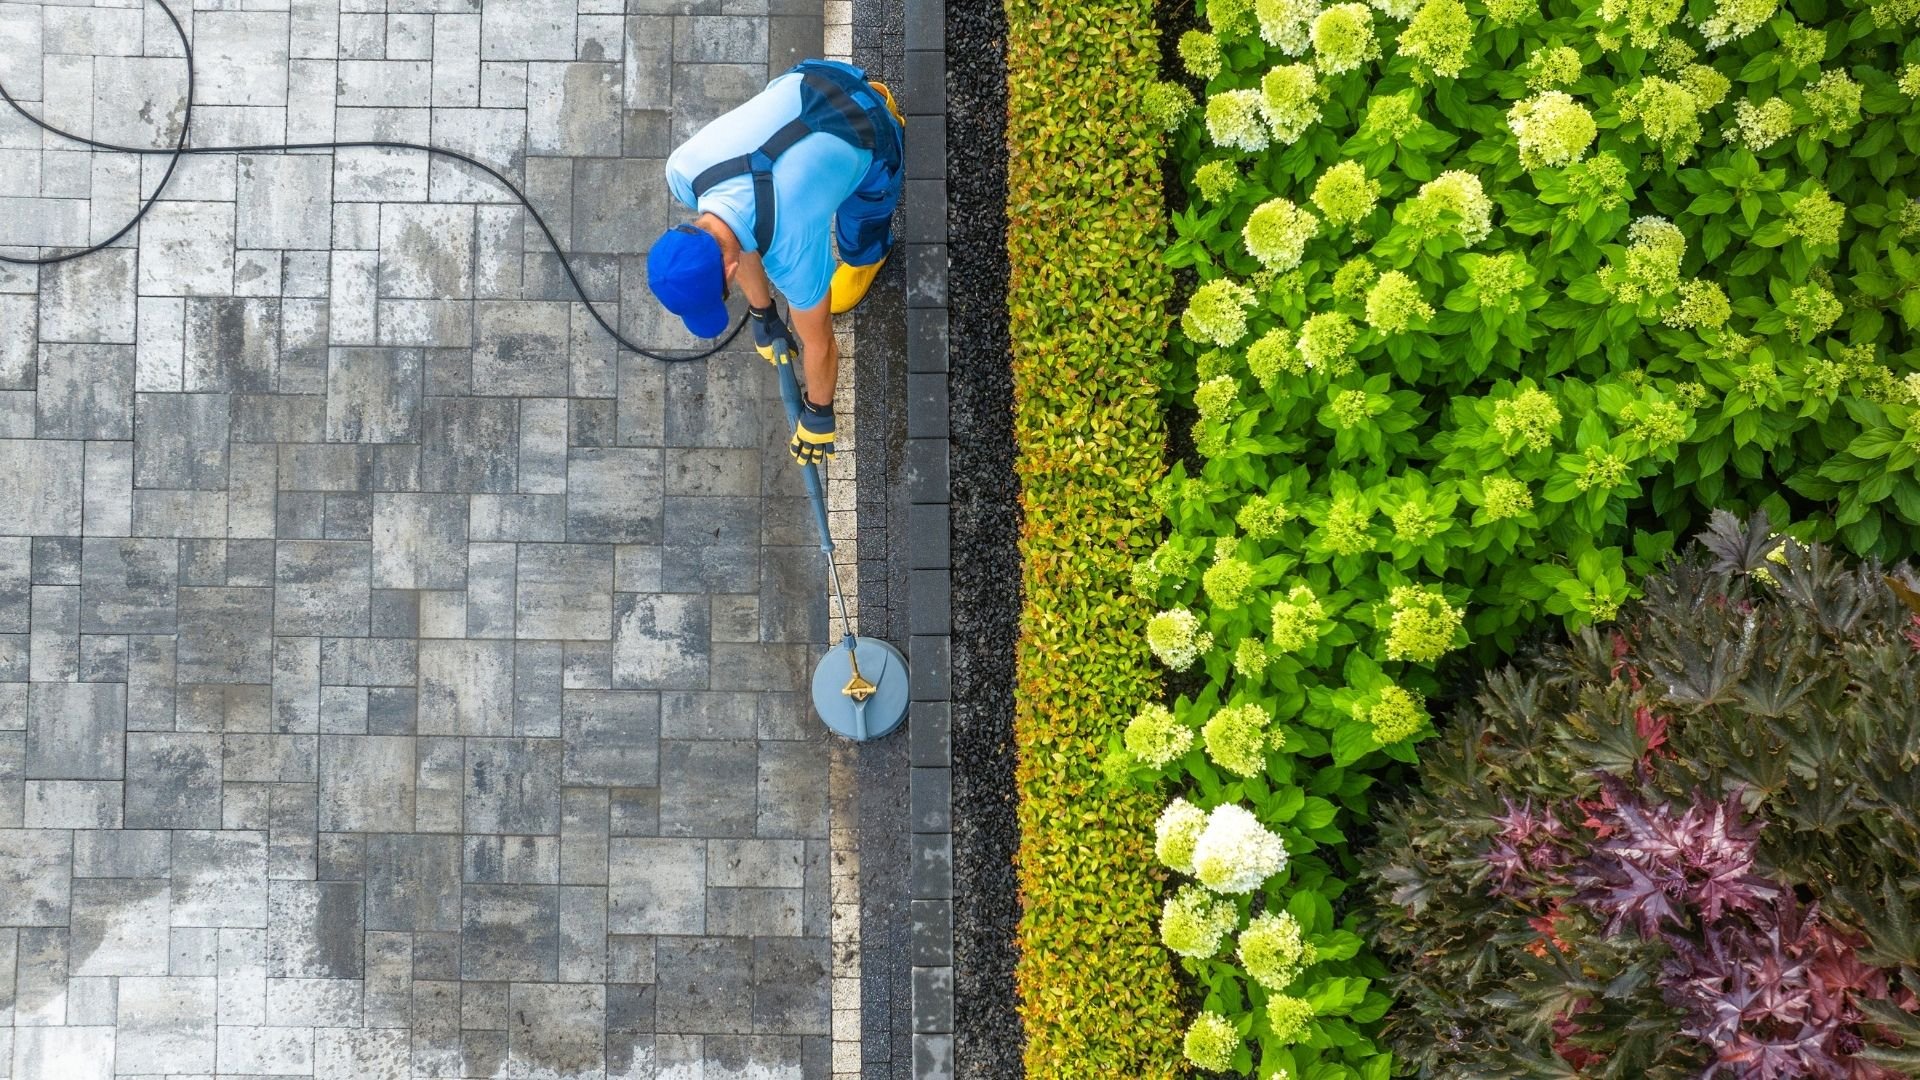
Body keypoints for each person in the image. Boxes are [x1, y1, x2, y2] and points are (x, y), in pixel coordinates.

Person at [646, 60, 906, 466]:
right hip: (811, 76)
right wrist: (762, 312)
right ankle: (865, 88)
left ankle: (869, 252)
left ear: (729, 274)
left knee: (862, 229)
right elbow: (735, 237)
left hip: (870, 132)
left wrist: (819, 412)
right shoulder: (684, 171)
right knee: (753, 221)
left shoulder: (792, 254)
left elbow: (820, 345)